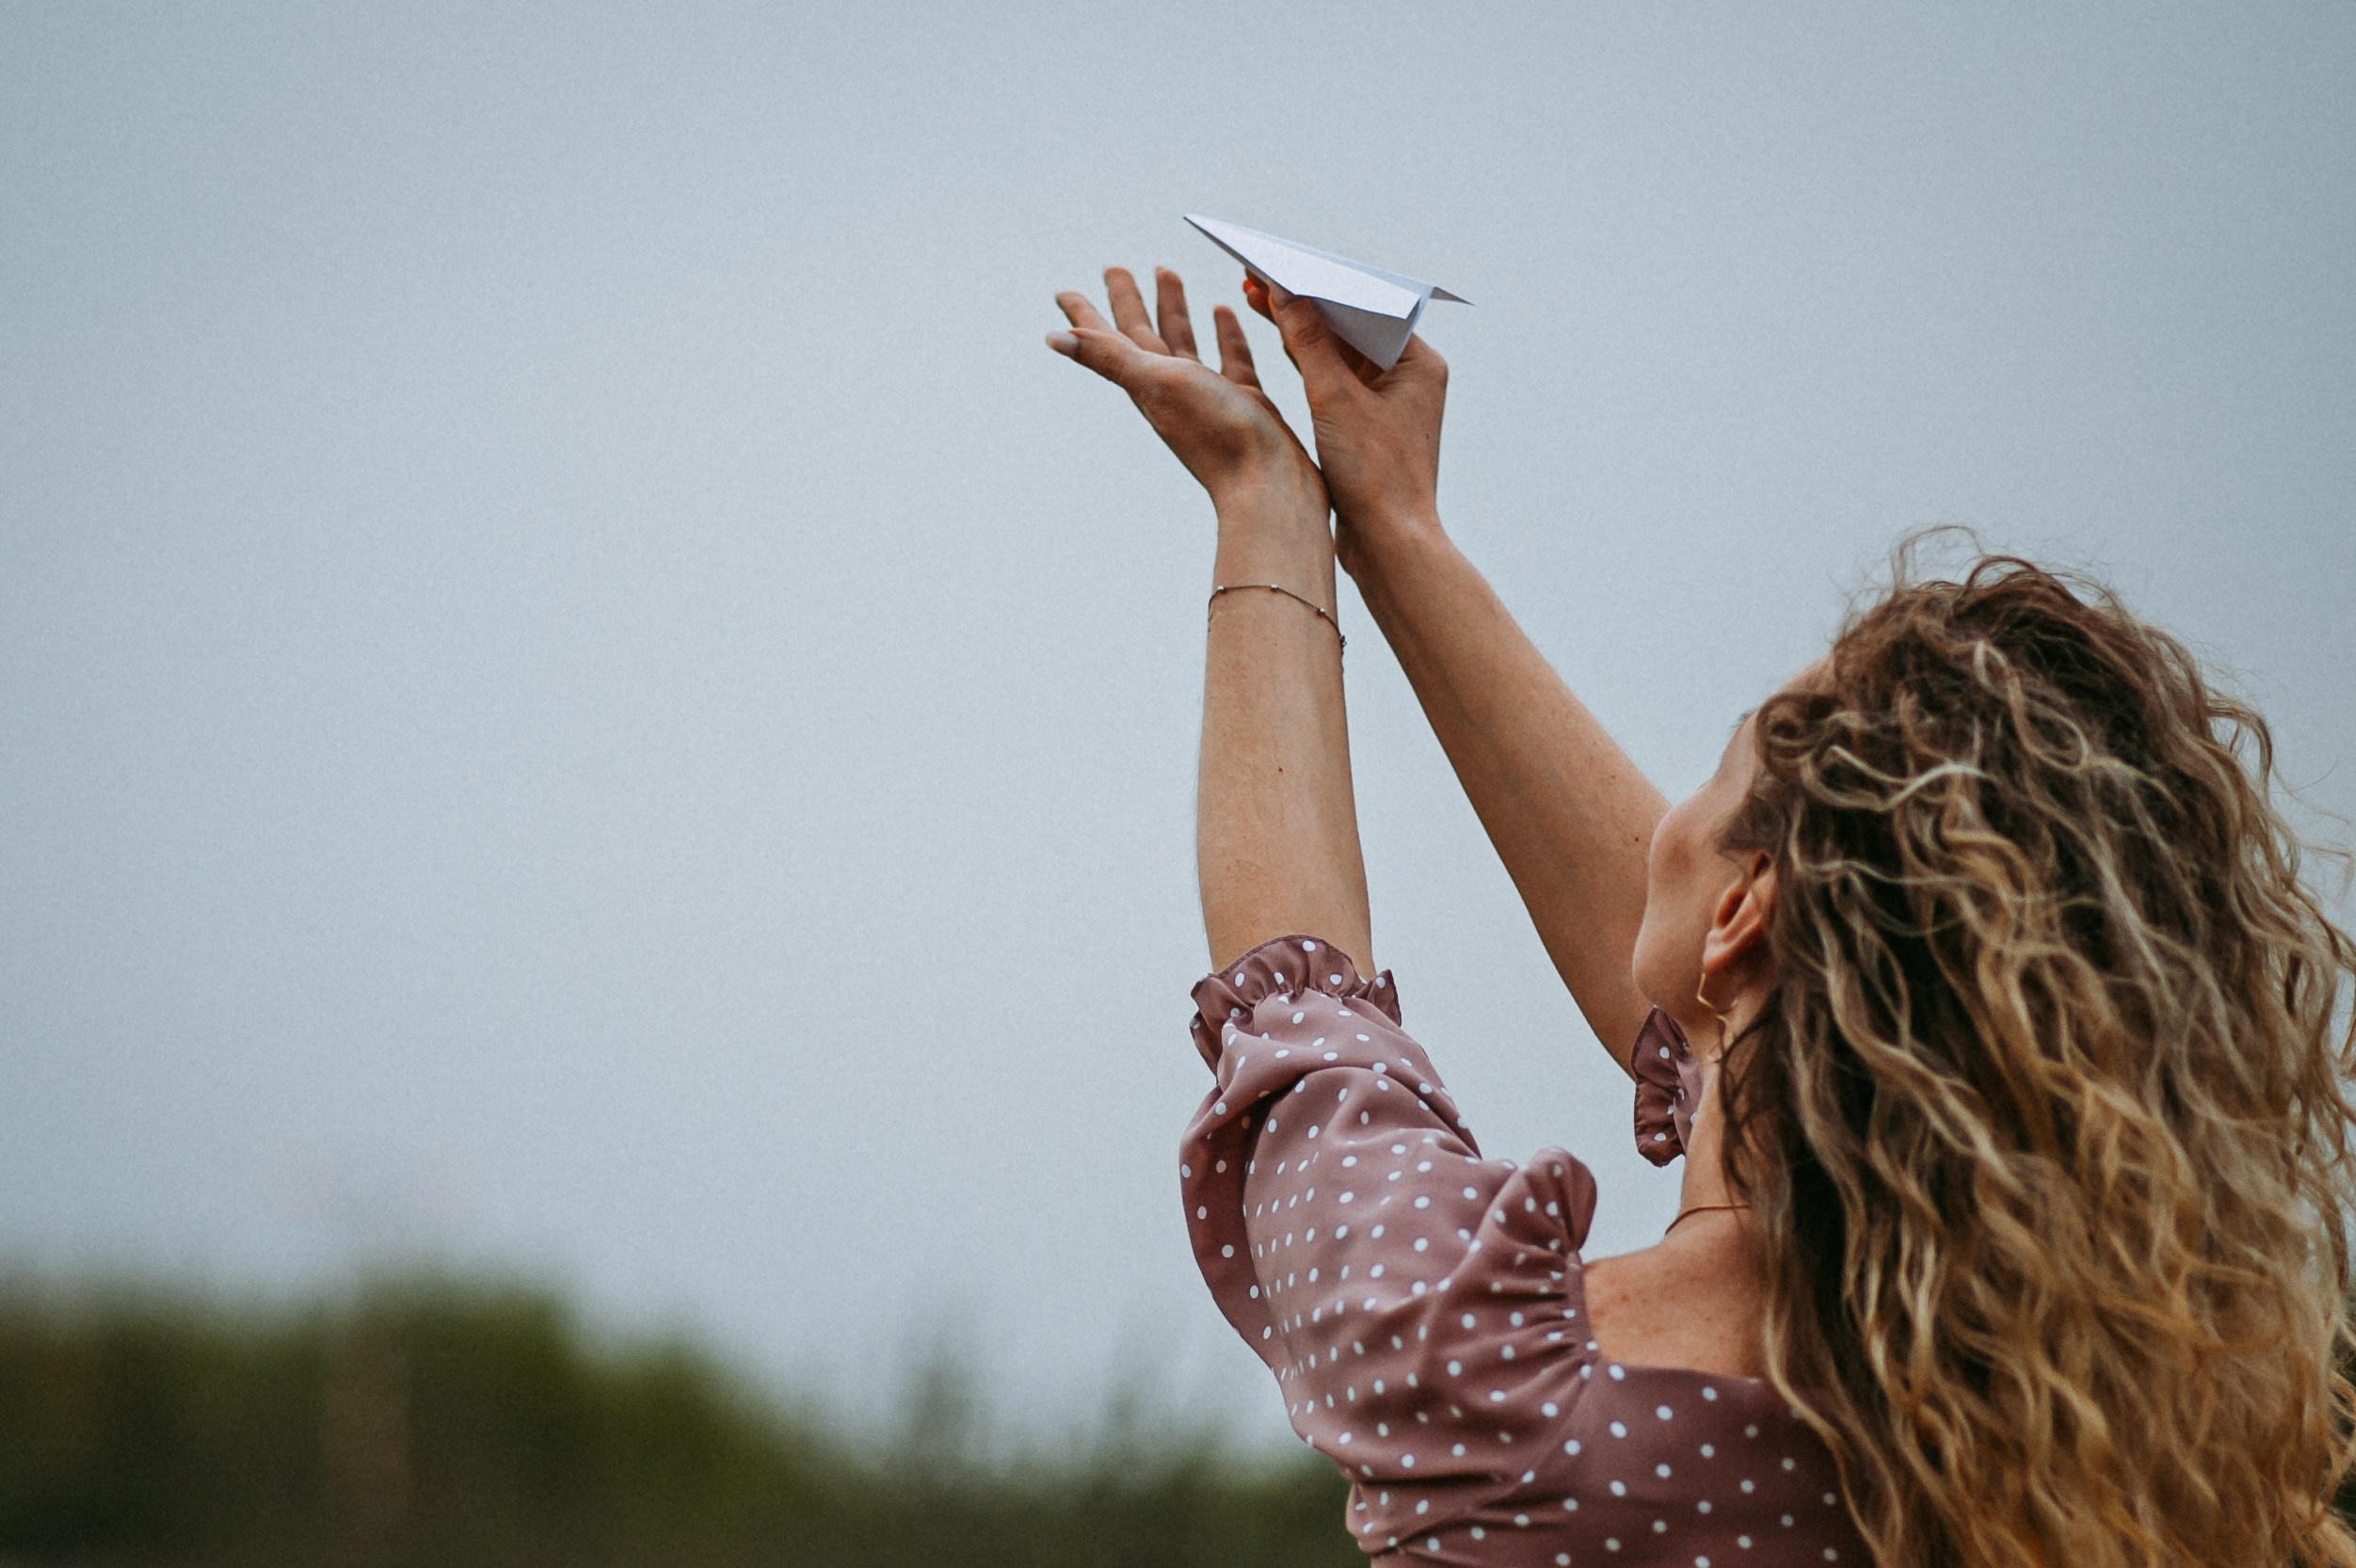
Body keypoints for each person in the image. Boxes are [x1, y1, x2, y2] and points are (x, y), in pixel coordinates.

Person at [1044, 264, 2356, 1568]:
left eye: (1721, 763)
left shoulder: (1499, 1393)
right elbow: (1751, 1032)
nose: (1664, 816)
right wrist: (1394, 523)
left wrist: (1266, 498)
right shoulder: (2106, 1462)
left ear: (1742, 914)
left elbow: (1303, 1018)